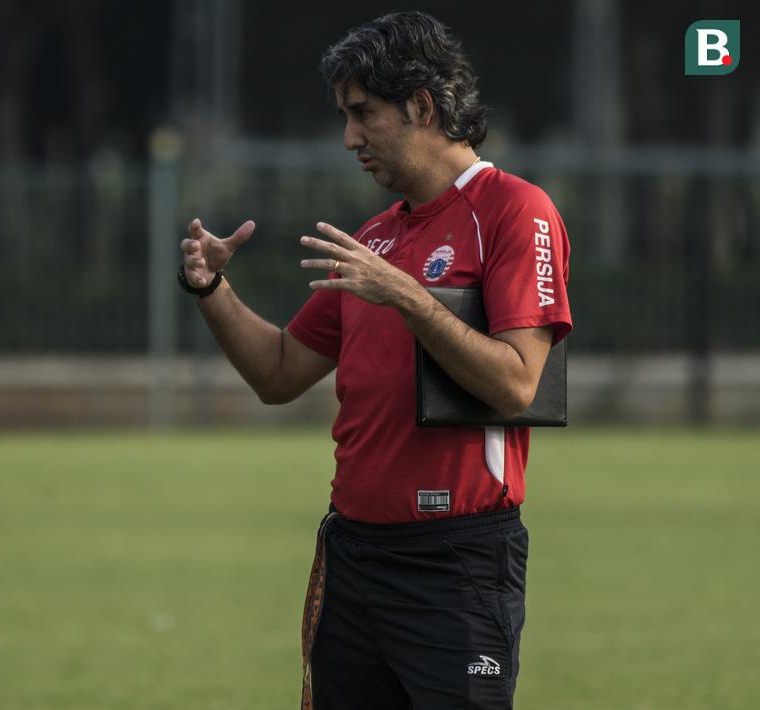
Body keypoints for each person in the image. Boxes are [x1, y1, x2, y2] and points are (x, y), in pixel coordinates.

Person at [178, 11, 572, 710]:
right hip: (353, 557)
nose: (349, 138)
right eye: (344, 116)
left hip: (455, 561)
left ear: (421, 106)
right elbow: (278, 373)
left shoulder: (515, 210)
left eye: (362, 113)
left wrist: (409, 297)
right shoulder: (376, 239)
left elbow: (517, 383)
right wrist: (211, 289)